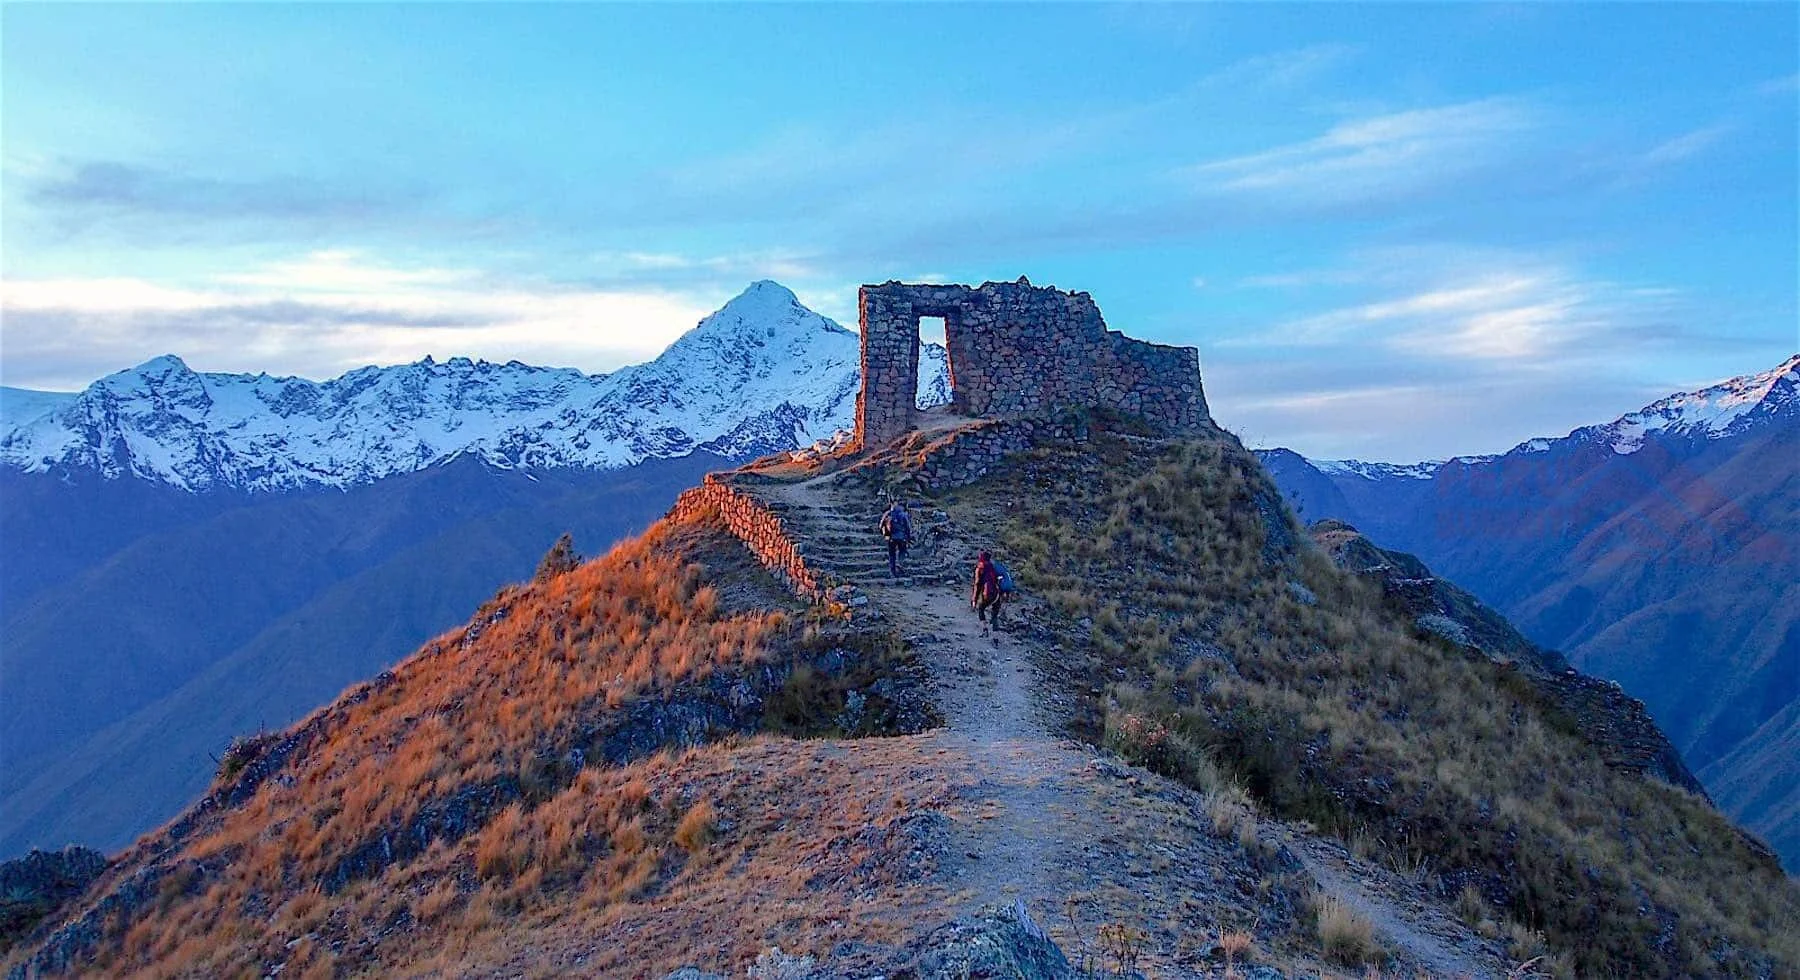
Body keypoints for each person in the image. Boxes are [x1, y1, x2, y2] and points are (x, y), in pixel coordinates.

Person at [880, 499, 913, 577]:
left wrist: (885, 535)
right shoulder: (903, 514)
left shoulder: (889, 514)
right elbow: (907, 527)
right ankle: (900, 565)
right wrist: (908, 537)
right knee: (902, 552)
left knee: (892, 555)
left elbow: (882, 526)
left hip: (891, 537)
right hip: (902, 537)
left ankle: (892, 571)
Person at [971, 550, 1002, 630]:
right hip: (996, 593)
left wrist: (974, 600)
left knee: (981, 608)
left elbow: (977, 585)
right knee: (995, 608)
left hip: (987, 593)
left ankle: (985, 629)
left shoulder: (980, 568)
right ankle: (995, 627)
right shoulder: (993, 567)